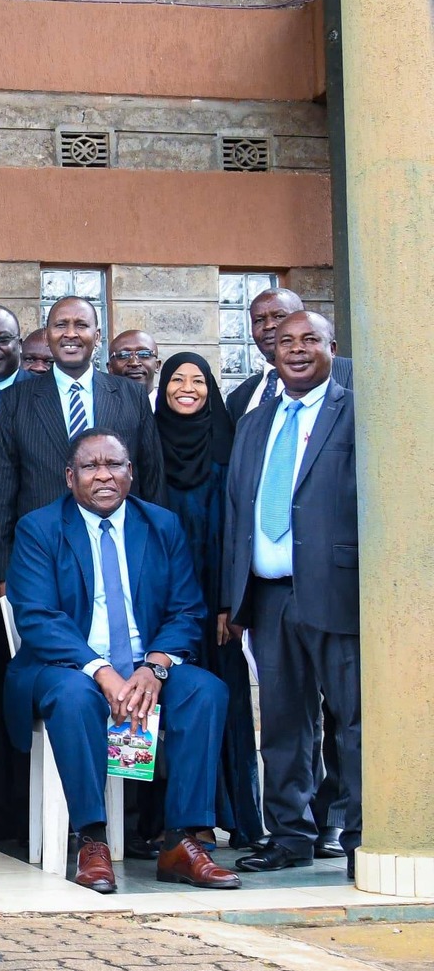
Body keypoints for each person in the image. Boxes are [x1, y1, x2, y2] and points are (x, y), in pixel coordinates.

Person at [2, 430, 237, 893]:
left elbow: (186, 610)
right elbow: (38, 617)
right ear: (70, 477)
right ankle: (92, 839)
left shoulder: (162, 525)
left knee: (207, 690)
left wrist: (155, 667)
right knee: (74, 697)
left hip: (146, 662)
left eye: (115, 465)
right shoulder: (39, 527)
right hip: (68, 667)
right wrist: (101, 669)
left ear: (132, 472)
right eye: (90, 466)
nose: (104, 475)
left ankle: (182, 842)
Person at [0, 296, 162, 846]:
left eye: (82, 325)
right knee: (70, 684)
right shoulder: (17, 401)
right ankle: (76, 825)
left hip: (118, 565)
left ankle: (138, 821)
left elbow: (150, 481)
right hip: (44, 571)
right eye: (61, 325)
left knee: (144, 682)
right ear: (48, 335)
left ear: (98, 335)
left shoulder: (128, 394)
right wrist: (2, 574)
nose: (72, 334)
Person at [223, 311, 360, 877]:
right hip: (269, 597)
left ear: (332, 347)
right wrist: (230, 599)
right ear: (269, 352)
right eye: (285, 343)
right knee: (281, 722)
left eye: (310, 340)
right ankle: (290, 835)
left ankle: (360, 836)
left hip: (337, 589)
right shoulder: (256, 423)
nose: (297, 351)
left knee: (353, 721)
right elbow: (237, 512)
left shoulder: (355, 410)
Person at [150, 352, 263, 851]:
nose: (187, 388)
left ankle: (237, 818)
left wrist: (226, 606)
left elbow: (236, 531)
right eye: (177, 380)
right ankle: (167, 822)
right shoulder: (148, 444)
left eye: (198, 380)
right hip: (163, 604)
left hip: (215, 604)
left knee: (225, 705)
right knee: (162, 714)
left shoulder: (228, 443)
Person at [227, 287, 356, 414]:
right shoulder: (239, 398)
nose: (268, 325)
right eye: (259, 320)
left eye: (279, 316)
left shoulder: (354, 374)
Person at [109, 330, 161, 397]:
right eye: (123, 355)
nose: (134, 363)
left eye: (144, 354)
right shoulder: (99, 406)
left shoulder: (172, 406)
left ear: (157, 365)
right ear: (110, 368)